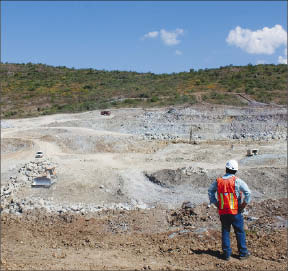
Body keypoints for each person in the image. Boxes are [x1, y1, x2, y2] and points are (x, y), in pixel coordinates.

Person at [208, 159, 251, 261]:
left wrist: (215, 202)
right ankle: (243, 253)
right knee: (239, 232)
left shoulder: (218, 181)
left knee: (226, 231)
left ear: (226, 168)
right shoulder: (237, 181)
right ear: (235, 170)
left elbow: (210, 191)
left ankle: (226, 254)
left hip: (223, 211)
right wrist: (244, 204)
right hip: (235, 211)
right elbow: (248, 193)